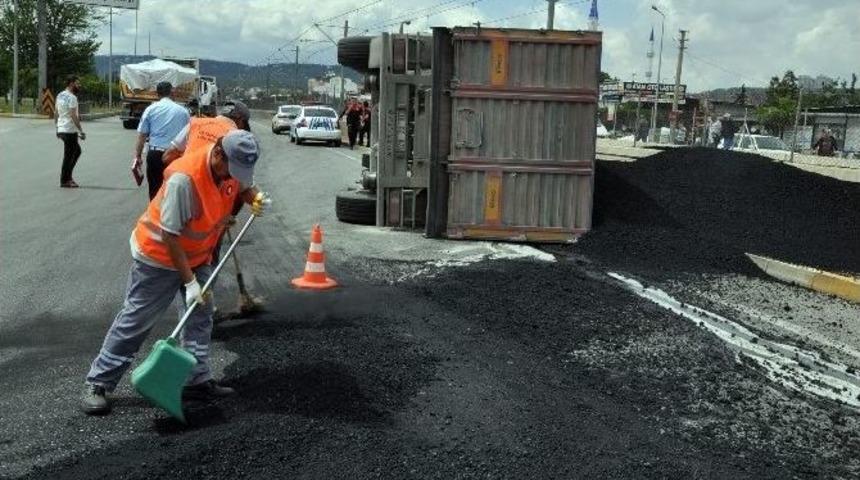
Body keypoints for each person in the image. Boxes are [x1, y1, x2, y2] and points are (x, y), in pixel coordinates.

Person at [81, 130, 272, 415]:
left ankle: (197, 380)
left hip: (198, 254)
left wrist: (255, 198)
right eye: (231, 169)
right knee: (137, 318)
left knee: (200, 316)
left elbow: (243, 186)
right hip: (157, 256)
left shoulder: (230, 166)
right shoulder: (185, 179)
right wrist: (190, 282)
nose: (234, 175)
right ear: (218, 153)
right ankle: (99, 382)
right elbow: (169, 235)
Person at [133, 81, 191, 199]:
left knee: (155, 191)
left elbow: (142, 136)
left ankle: (155, 215)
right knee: (173, 191)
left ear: (157, 94)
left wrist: (137, 156)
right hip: (175, 156)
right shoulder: (183, 111)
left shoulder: (150, 109)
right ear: (172, 92)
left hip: (154, 154)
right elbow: (188, 136)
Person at [162, 101, 251, 165]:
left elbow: (167, 157)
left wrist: (187, 164)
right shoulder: (236, 137)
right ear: (240, 120)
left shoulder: (196, 123)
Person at [55, 75, 86, 188]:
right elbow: (73, 115)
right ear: (72, 83)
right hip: (69, 130)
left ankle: (68, 177)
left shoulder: (60, 95)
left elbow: (56, 113)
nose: (79, 85)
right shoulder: (72, 97)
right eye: (78, 83)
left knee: (76, 151)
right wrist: (81, 131)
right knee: (69, 155)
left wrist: (57, 128)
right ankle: (65, 180)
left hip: (62, 128)